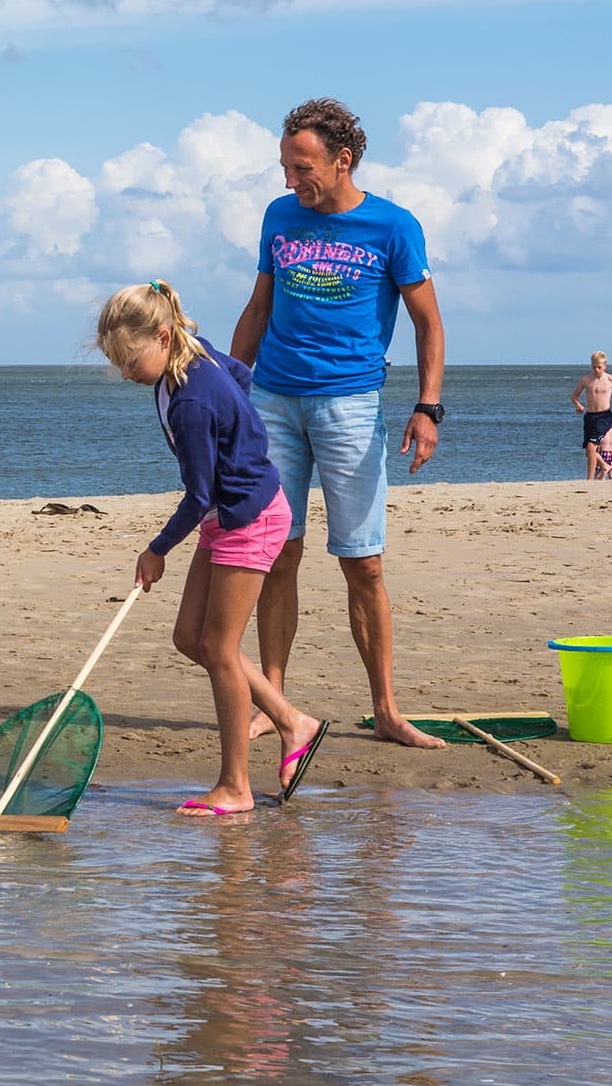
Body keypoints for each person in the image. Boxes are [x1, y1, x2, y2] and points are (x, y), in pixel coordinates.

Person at [229, 97, 448, 751]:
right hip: (272, 402)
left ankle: (385, 709)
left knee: (364, 565)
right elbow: (259, 306)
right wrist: (229, 390)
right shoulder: (279, 217)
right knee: (277, 555)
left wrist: (427, 407)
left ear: (342, 159)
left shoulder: (392, 226)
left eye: (301, 167)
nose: (291, 180)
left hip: (350, 406)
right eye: (286, 167)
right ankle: (272, 699)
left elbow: (428, 323)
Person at [100, 280, 331, 813]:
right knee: (191, 637)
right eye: (118, 363)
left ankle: (236, 787)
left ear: (162, 336)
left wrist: (156, 549)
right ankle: (294, 722)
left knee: (220, 649)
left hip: (248, 517)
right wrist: (240, 434)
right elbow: (243, 375)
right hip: (226, 514)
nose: (126, 373)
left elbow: (197, 492)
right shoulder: (193, 356)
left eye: (131, 360)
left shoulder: (191, 400)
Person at [571, 351, 612, 480]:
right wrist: (578, 405)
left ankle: (589, 480)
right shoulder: (586, 379)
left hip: (604, 416)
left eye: (599, 367)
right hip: (590, 416)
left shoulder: (611, 379)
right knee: (588, 451)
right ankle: (605, 466)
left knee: (591, 447)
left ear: (605, 365)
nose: (596, 369)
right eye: (594, 367)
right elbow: (574, 396)